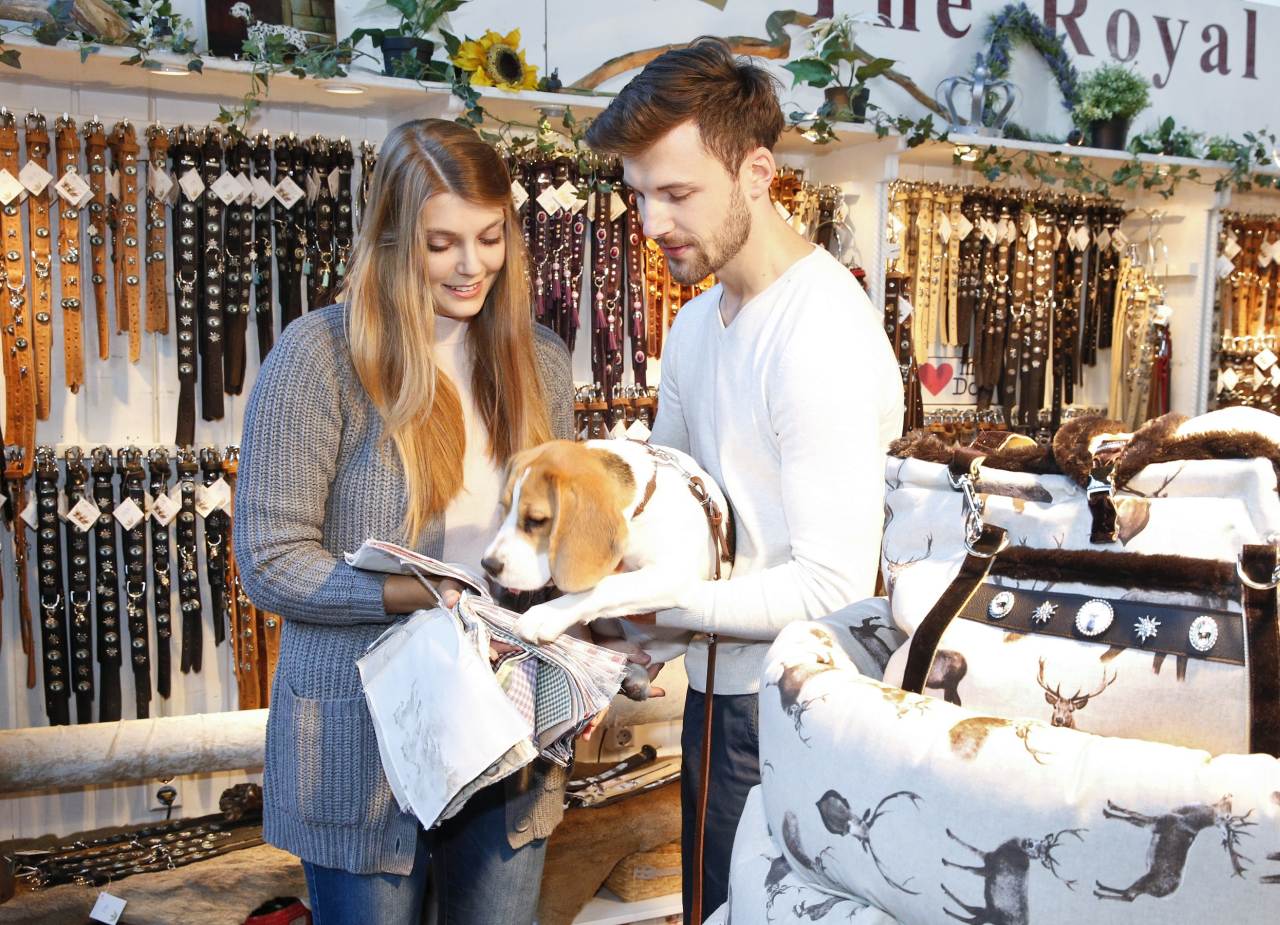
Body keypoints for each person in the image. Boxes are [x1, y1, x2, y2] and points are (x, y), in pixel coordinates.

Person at [584, 38, 905, 921]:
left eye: (678, 193)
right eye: (640, 194)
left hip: (801, 710)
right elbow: (678, 515)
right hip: (720, 698)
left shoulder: (819, 333)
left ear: (758, 172)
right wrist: (627, 633)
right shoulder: (695, 329)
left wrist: (659, 613)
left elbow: (832, 585)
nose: (652, 222)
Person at [234, 118, 574, 925]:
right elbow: (271, 558)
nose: (471, 265)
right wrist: (426, 594)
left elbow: (552, 545)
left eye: (490, 237)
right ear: (392, 239)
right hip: (361, 744)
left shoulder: (540, 361)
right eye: (441, 243)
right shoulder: (320, 359)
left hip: (508, 735)